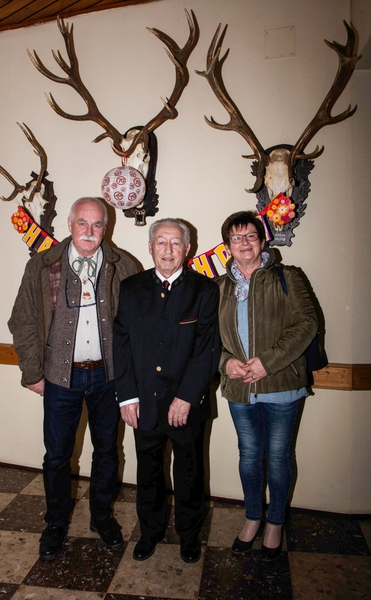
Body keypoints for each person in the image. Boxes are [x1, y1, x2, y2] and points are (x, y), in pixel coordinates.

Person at [8, 197, 138, 560]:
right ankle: (55, 523)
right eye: (83, 222)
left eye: (97, 225)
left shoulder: (124, 266)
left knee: (107, 451)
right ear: (69, 224)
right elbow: (22, 321)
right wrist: (32, 372)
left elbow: (137, 327)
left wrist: (131, 379)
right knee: (57, 456)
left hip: (108, 379)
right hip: (59, 379)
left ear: (106, 228)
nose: (90, 231)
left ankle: (101, 517)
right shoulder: (42, 266)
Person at [113, 218, 220, 563]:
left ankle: (189, 534)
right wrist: (127, 396)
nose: (168, 250)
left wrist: (186, 397)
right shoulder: (131, 288)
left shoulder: (205, 290)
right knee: (148, 472)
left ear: (187, 248)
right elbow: (121, 344)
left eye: (176, 243)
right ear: (150, 247)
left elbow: (207, 350)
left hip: (187, 403)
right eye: (161, 242)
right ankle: (150, 532)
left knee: (189, 472)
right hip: (143, 401)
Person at [217, 211, 318, 561]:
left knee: (277, 457)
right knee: (248, 456)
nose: (244, 243)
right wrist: (225, 362)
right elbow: (208, 338)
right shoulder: (219, 287)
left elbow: (307, 324)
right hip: (239, 388)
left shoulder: (288, 277)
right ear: (227, 245)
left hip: (282, 385)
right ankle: (252, 517)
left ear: (262, 241)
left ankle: (275, 522)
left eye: (250, 236)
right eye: (236, 238)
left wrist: (268, 362)